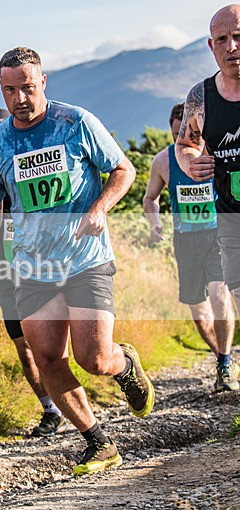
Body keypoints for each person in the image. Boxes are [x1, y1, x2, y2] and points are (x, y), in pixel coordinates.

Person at [0, 47, 155, 476]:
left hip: (84, 258)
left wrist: (99, 209)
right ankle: (98, 442)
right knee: (47, 358)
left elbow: (124, 171)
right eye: (10, 89)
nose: (19, 98)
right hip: (34, 267)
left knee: (93, 359)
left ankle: (124, 363)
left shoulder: (75, 121)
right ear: (1, 89)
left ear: (43, 83)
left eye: (27, 88)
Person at [0, 108, 67, 437]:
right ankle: (50, 410)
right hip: (6, 273)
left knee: (54, 346)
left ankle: (71, 400)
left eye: (0, 133)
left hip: (44, 267)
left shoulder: (36, 170)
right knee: (23, 346)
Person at [145, 102, 238, 392]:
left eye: (192, 135)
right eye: (177, 135)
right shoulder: (163, 162)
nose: (185, 141)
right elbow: (150, 199)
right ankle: (222, 356)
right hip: (185, 241)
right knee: (199, 315)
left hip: (217, 235)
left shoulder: (218, 155)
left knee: (218, 295)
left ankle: (224, 363)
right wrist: (153, 223)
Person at [177, 5, 240, 374]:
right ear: (211, 45)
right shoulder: (201, 96)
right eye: (222, 39)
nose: (232, 46)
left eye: (239, 36)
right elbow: (186, 143)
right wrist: (189, 161)